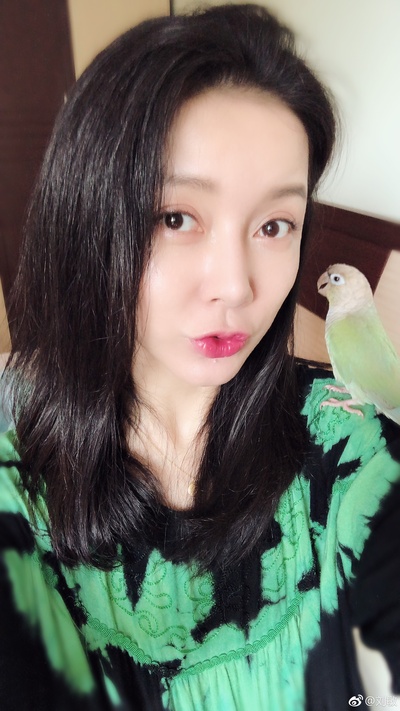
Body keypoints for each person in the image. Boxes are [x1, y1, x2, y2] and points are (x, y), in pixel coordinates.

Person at [0, 4, 399, 709]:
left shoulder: (346, 447)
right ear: (89, 220)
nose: (237, 286)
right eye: (176, 217)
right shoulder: (18, 496)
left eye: (274, 225)